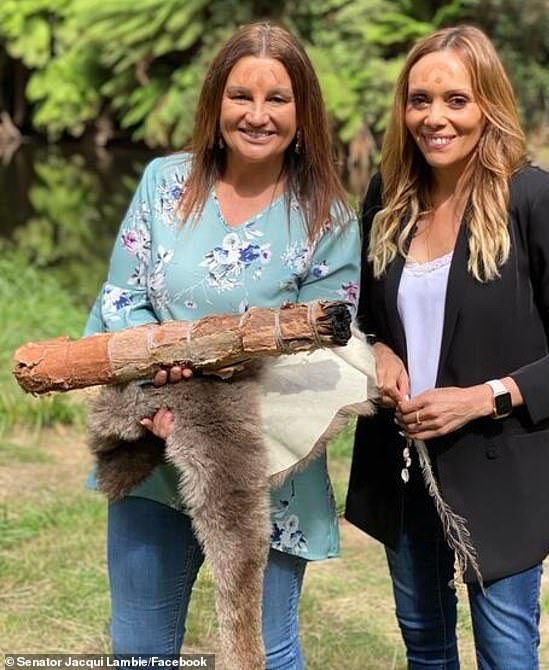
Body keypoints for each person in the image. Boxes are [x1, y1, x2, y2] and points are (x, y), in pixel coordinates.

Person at [84, 21, 360, 669]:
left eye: (277, 99)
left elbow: (329, 358)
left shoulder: (328, 219)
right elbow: (120, 304)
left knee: (262, 651)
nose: (257, 115)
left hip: (268, 471)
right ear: (215, 102)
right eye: (241, 96)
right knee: (140, 653)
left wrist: (218, 426)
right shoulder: (163, 184)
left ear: (303, 111)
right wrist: (153, 401)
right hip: (151, 448)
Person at [345, 24, 549, 669]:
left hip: (501, 472)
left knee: (507, 656)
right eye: (420, 100)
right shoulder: (387, 198)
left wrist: (484, 398)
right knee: (426, 649)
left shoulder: (536, 200)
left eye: (455, 100)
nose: (434, 118)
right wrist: (374, 347)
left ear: (488, 102)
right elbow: (358, 317)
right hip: (404, 469)